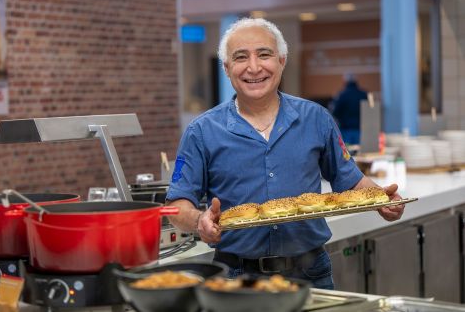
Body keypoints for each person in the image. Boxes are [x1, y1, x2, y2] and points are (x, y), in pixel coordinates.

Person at [165, 18, 404, 289]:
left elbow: (349, 180)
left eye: (264, 55)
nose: (254, 67)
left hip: (311, 273)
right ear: (227, 68)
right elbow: (176, 206)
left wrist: (380, 199)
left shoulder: (316, 118)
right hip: (236, 278)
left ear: (282, 60)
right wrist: (200, 221)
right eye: (241, 57)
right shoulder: (201, 131)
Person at [331, 73, 368, 145]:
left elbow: (335, 112)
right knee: (361, 153)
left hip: (346, 129)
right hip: (360, 129)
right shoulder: (363, 94)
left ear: (345, 81)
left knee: (347, 153)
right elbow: (369, 112)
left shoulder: (342, 95)